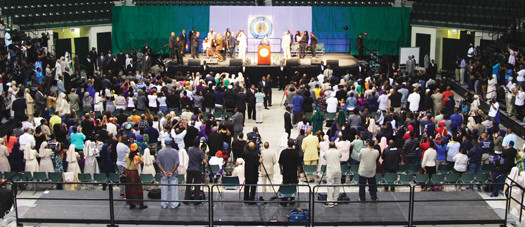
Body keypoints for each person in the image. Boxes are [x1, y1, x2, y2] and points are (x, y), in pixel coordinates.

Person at [156, 139, 180, 209]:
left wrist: (164, 171)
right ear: (171, 143)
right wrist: (172, 172)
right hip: (173, 174)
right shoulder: (175, 152)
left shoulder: (160, 152)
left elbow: (158, 163)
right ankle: (174, 204)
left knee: (164, 190)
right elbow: (177, 163)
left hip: (164, 175)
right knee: (174, 191)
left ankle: (164, 204)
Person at [185, 138, 207, 205]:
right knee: (197, 185)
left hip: (190, 169)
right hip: (197, 169)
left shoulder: (189, 149)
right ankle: (196, 200)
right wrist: (205, 156)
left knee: (188, 185)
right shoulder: (200, 152)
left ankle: (186, 199)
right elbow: (204, 161)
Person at [279, 139, 300, 206]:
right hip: (293, 172)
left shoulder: (283, 152)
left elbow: (280, 162)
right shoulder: (296, 152)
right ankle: (292, 198)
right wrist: (299, 173)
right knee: (293, 185)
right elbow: (298, 165)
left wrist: (281, 169)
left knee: (285, 184)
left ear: (287, 144)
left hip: (286, 171)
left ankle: (284, 199)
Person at [125, 144, 147, 209]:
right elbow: (142, 161)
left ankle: (131, 203)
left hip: (128, 173)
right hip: (134, 173)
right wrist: (140, 154)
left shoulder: (127, 155)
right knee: (137, 188)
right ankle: (140, 203)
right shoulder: (136, 157)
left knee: (129, 188)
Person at [323, 142, 342, 208]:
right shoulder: (338, 152)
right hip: (338, 170)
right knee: (337, 185)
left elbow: (324, 157)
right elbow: (340, 156)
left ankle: (330, 202)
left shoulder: (327, 152)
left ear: (329, 146)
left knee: (330, 187)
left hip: (330, 171)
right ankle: (335, 200)